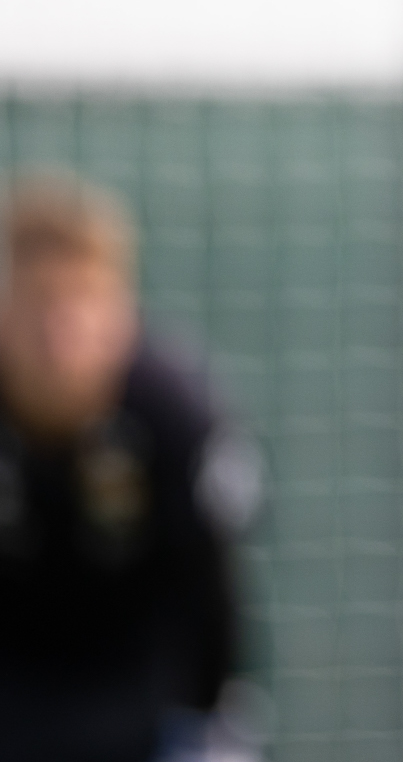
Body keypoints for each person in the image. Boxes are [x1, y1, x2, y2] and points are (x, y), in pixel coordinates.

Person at [0, 170, 262, 762]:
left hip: (142, 711)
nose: (62, 334)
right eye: (42, 304)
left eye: (84, 302)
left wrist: (211, 725)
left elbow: (210, 588)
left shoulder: (175, 415)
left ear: (122, 311)